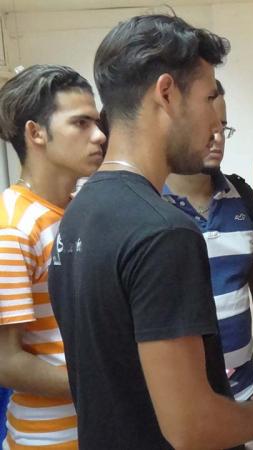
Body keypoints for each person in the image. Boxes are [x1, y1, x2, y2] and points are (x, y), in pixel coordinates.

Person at [48, 14, 253, 449]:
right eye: (210, 97)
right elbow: (193, 426)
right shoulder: (163, 233)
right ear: (167, 93)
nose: (216, 120)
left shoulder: (79, 211)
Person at [0, 64, 105, 449]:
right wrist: (108, 384)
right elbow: (6, 362)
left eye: (97, 121)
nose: (100, 136)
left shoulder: (82, 212)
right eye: (81, 123)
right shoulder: (13, 227)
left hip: (98, 427)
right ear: (36, 133)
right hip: (49, 439)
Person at [164, 79, 253, 403]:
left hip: (244, 388)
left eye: (223, 128)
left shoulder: (242, 197)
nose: (217, 138)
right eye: (208, 127)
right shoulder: (148, 203)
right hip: (180, 398)